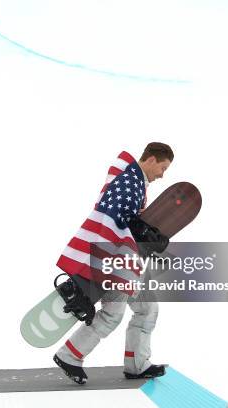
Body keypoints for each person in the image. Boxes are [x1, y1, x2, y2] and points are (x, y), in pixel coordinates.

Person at [53, 142, 174, 384]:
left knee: (147, 309)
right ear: (151, 160)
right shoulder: (129, 181)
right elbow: (117, 216)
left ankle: (137, 365)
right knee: (111, 314)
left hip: (130, 261)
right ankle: (69, 355)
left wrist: (147, 235)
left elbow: (128, 219)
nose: (163, 175)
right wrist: (142, 230)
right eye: (163, 168)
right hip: (117, 261)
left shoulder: (134, 181)